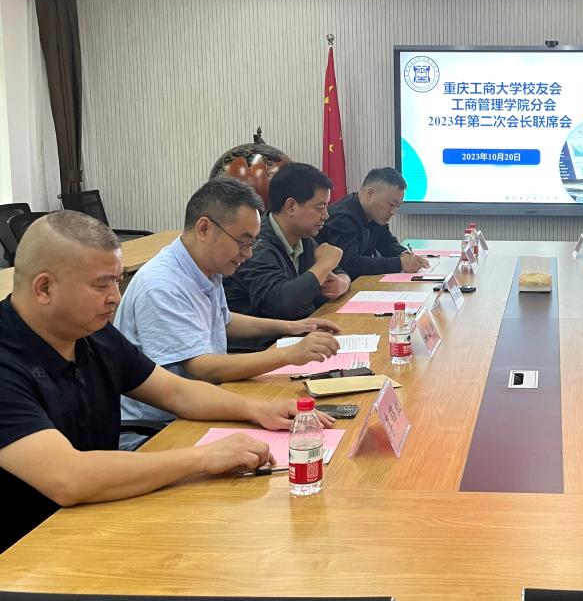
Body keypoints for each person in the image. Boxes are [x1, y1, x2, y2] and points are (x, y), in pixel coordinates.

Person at [0, 212, 333, 552]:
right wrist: (203, 458)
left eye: (117, 282)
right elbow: (67, 478)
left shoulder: (92, 334)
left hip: (93, 516)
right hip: (26, 550)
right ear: (44, 288)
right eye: (101, 285)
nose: (115, 297)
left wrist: (258, 409)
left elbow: (176, 392)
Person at [117, 178, 342, 448]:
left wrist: (289, 327)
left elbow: (224, 321)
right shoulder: (162, 285)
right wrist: (289, 355)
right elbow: (202, 368)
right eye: (243, 242)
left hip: (204, 404)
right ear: (204, 228)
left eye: (252, 243)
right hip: (161, 430)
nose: (248, 254)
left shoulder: (205, 266)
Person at [224, 162, 351, 321]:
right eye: (320, 207)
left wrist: (342, 283)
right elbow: (279, 304)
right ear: (290, 207)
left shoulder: (303, 238)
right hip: (267, 336)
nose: (326, 215)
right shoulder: (255, 245)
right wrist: (323, 266)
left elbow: (338, 271)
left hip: (299, 330)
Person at [316, 167, 430, 280]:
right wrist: (399, 263)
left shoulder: (374, 214)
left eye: (397, 206)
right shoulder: (343, 218)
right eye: (391, 204)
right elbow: (350, 263)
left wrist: (403, 254)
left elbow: (387, 242)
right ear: (370, 193)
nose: (393, 212)